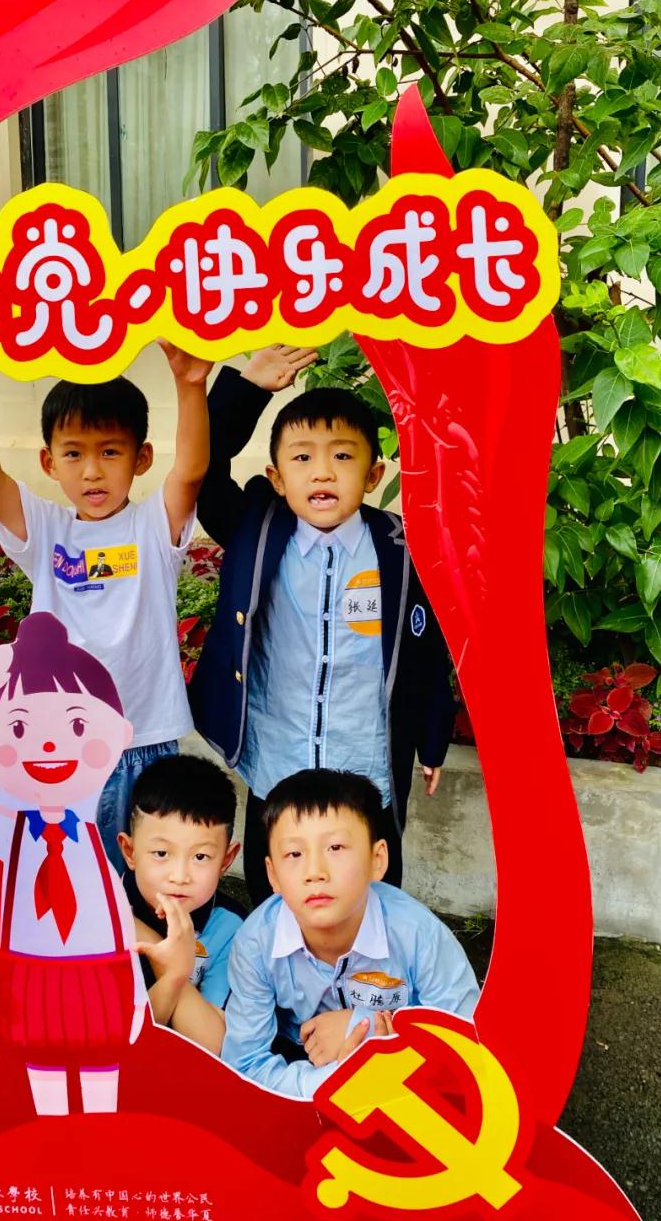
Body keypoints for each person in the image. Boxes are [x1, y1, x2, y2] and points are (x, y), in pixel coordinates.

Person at [189, 344, 456, 903]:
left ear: (374, 474)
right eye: (303, 458)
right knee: (273, 890)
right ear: (276, 477)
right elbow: (202, 468)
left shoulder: (403, 549)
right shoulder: (255, 527)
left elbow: (427, 648)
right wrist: (246, 388)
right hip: (277, 757)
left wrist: (432, 738)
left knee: (372, 890)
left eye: (342, 456)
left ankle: (364, 960)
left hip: (365, 760)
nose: (323, 472)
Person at [0, 342, 211, 870]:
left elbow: (190, 471)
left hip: (145, 738)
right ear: (49, 461)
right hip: (61, 743)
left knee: (151, 877)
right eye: (73, 454)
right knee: (72, 873)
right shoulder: (46, 529)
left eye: (110, 452)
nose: (92, 472)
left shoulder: (153, 525)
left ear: (141, 458)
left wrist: (190, 386)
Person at [0, 612, 147, 1118]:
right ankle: (52, 1149)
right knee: (44, 1082)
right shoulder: (3, 829)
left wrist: (136, 994)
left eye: (77, 725)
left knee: (102, 1085)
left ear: (120, 734)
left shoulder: (91, 829)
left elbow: (118, 916)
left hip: (101, 971)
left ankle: (98, 1154)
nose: (48, 745)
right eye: (19, 727)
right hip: (31, 972)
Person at [221, 769, 480, 1099]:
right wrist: (338, 1079)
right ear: (272, 875)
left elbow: (467, 1044)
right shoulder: (256, 942)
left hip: (405, 1076)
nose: (315, 872)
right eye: (294, 854)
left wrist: (365, 1029)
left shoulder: (419, 934)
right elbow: (245, 1065)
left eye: (336, 847)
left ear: (377, 860)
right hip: (303, 1069)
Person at [117, 753, 245, 1055]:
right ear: (130, 851)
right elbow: (121, 1046)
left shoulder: (230, 926)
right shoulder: (102, 909)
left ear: (226, 860)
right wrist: (173, 971)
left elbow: (214, 1045)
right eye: (161, 854)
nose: (179, 876)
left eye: (200, 857)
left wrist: (173, 971)